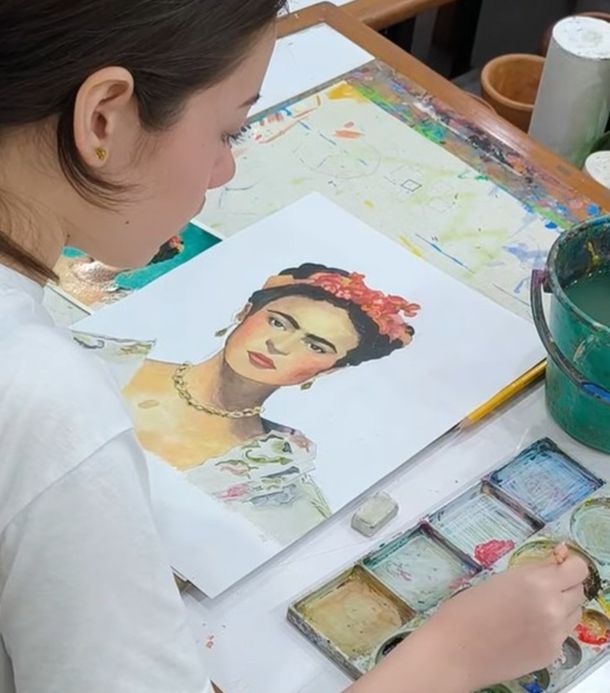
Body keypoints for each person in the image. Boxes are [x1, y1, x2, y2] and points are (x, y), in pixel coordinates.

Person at [0, 2, 588, 693]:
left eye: (316, 343)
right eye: (227, 131)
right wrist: (452, 659)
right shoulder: (51, 406)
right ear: (104, 118)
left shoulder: (282, 473)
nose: (224, 170)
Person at [120, 262, 419, 544]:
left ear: (329, 370)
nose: (280, 345)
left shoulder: (277, 488)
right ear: (245, 312)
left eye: (315, 346)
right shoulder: (114, 363)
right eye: (278, 323)